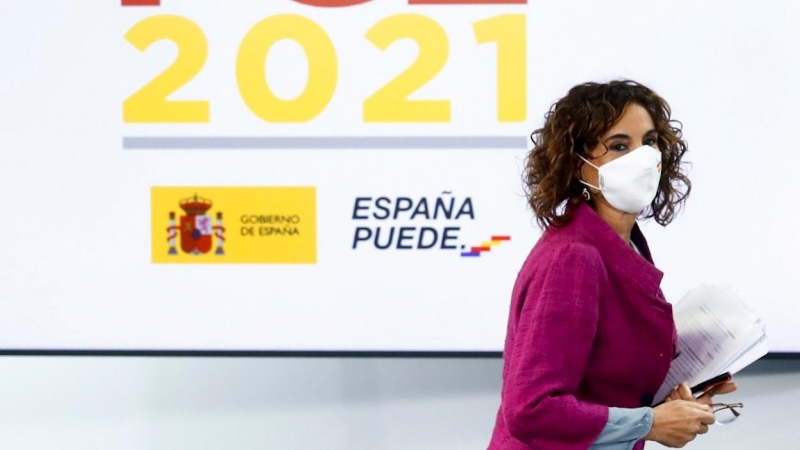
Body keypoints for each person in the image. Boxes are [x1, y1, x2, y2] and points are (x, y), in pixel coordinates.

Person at [487, 80, 737, 449]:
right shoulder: (573, 257)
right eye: (620, 146)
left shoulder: (623, 245)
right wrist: (648, 422)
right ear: (577, 164)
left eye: (650, 142)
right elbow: (531, 409)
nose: (644, 157)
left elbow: (606, 383)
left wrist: (672, 409)